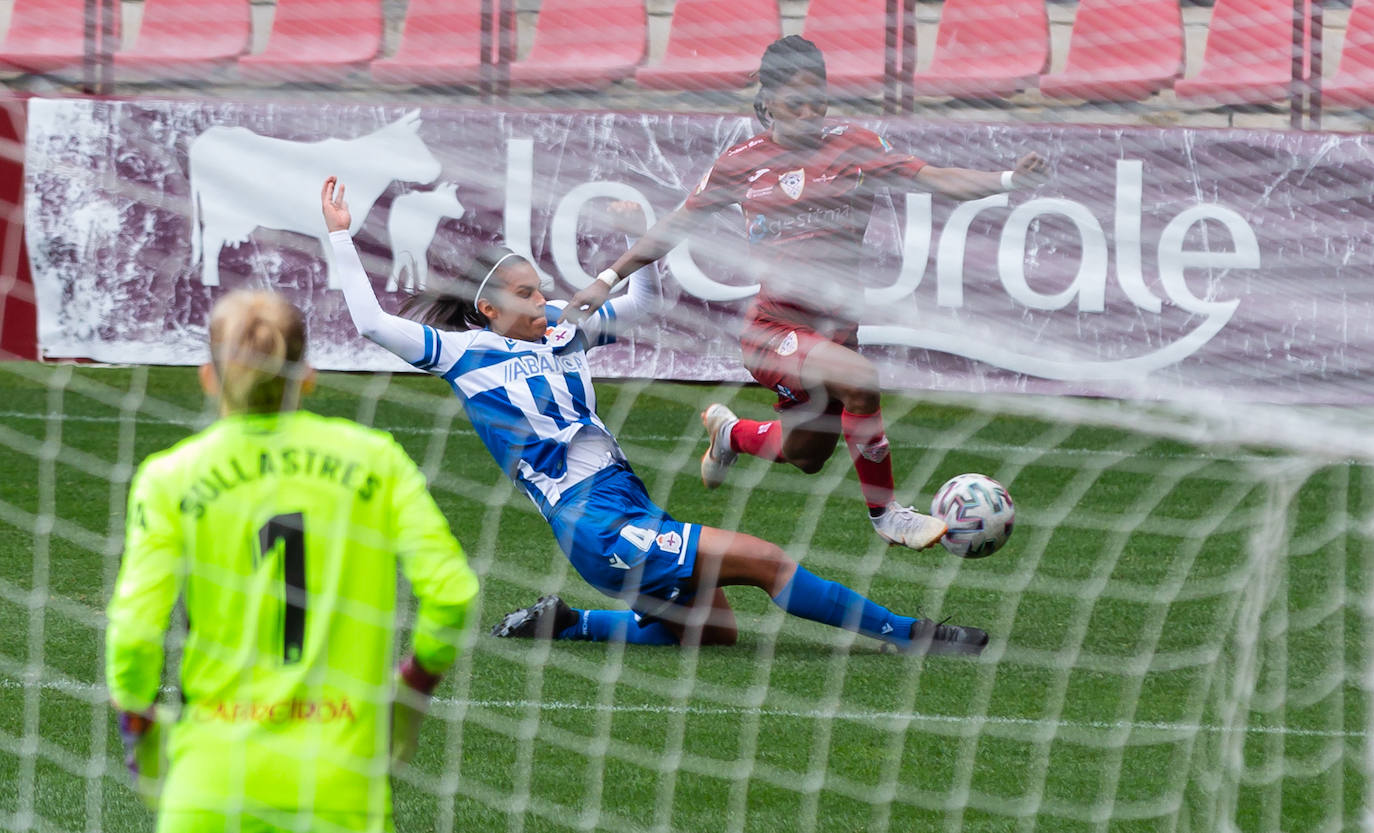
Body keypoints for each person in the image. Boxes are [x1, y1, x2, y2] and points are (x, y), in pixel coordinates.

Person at [321, 175, 987, 656]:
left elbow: (636, 303)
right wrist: (341, 237)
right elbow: (369, 320)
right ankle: (914, 636)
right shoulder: (462, 354)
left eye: (541, 288)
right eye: (525, 294)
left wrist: (636, 232)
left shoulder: (558, 329)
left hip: (628, 501)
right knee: (765, 560)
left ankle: (571, 623)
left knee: (713, 632)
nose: (542, 299)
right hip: (593, 521)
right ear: (488, 307)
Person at [563, 35, 1049, 552]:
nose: (811, 111)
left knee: (806, 456)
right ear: (768, 101)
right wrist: (607, 279)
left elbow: (935, 177)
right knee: (861, 382)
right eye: (797, 101)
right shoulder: (741, 162)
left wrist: (1007, 180)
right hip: (773, 331)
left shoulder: (855, 146)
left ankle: (730, 434)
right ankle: (888, 516)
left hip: (833, 334)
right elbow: (675, 226)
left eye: (819, 99)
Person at [105, 290, 480, 833]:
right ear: (307, 375)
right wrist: (411, 691)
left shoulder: (170, 476)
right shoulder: (376, 459)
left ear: (208, 377)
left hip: (211, 782)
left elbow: (134, 631)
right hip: (339, 780)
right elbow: (452, 593)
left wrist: (138, 727)